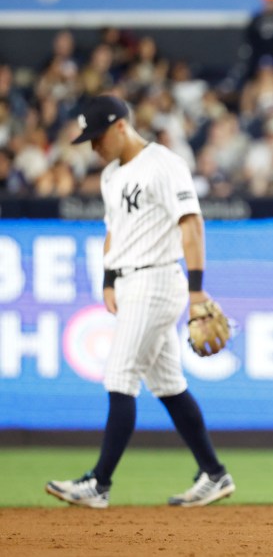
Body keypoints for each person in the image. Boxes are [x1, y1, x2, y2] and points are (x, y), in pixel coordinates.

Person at [46, 95, 235, 509]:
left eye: (97, 137)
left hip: (157, 279)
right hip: (130, 282)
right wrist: (109, 279)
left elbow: (192, 224)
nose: (93, 147)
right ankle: (214, 474)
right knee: (168, 385)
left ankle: (99, 483)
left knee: (119, 376)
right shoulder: (111, 175)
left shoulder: (163, 164)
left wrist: (198, 290)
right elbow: (114, 231)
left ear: (120, 126)